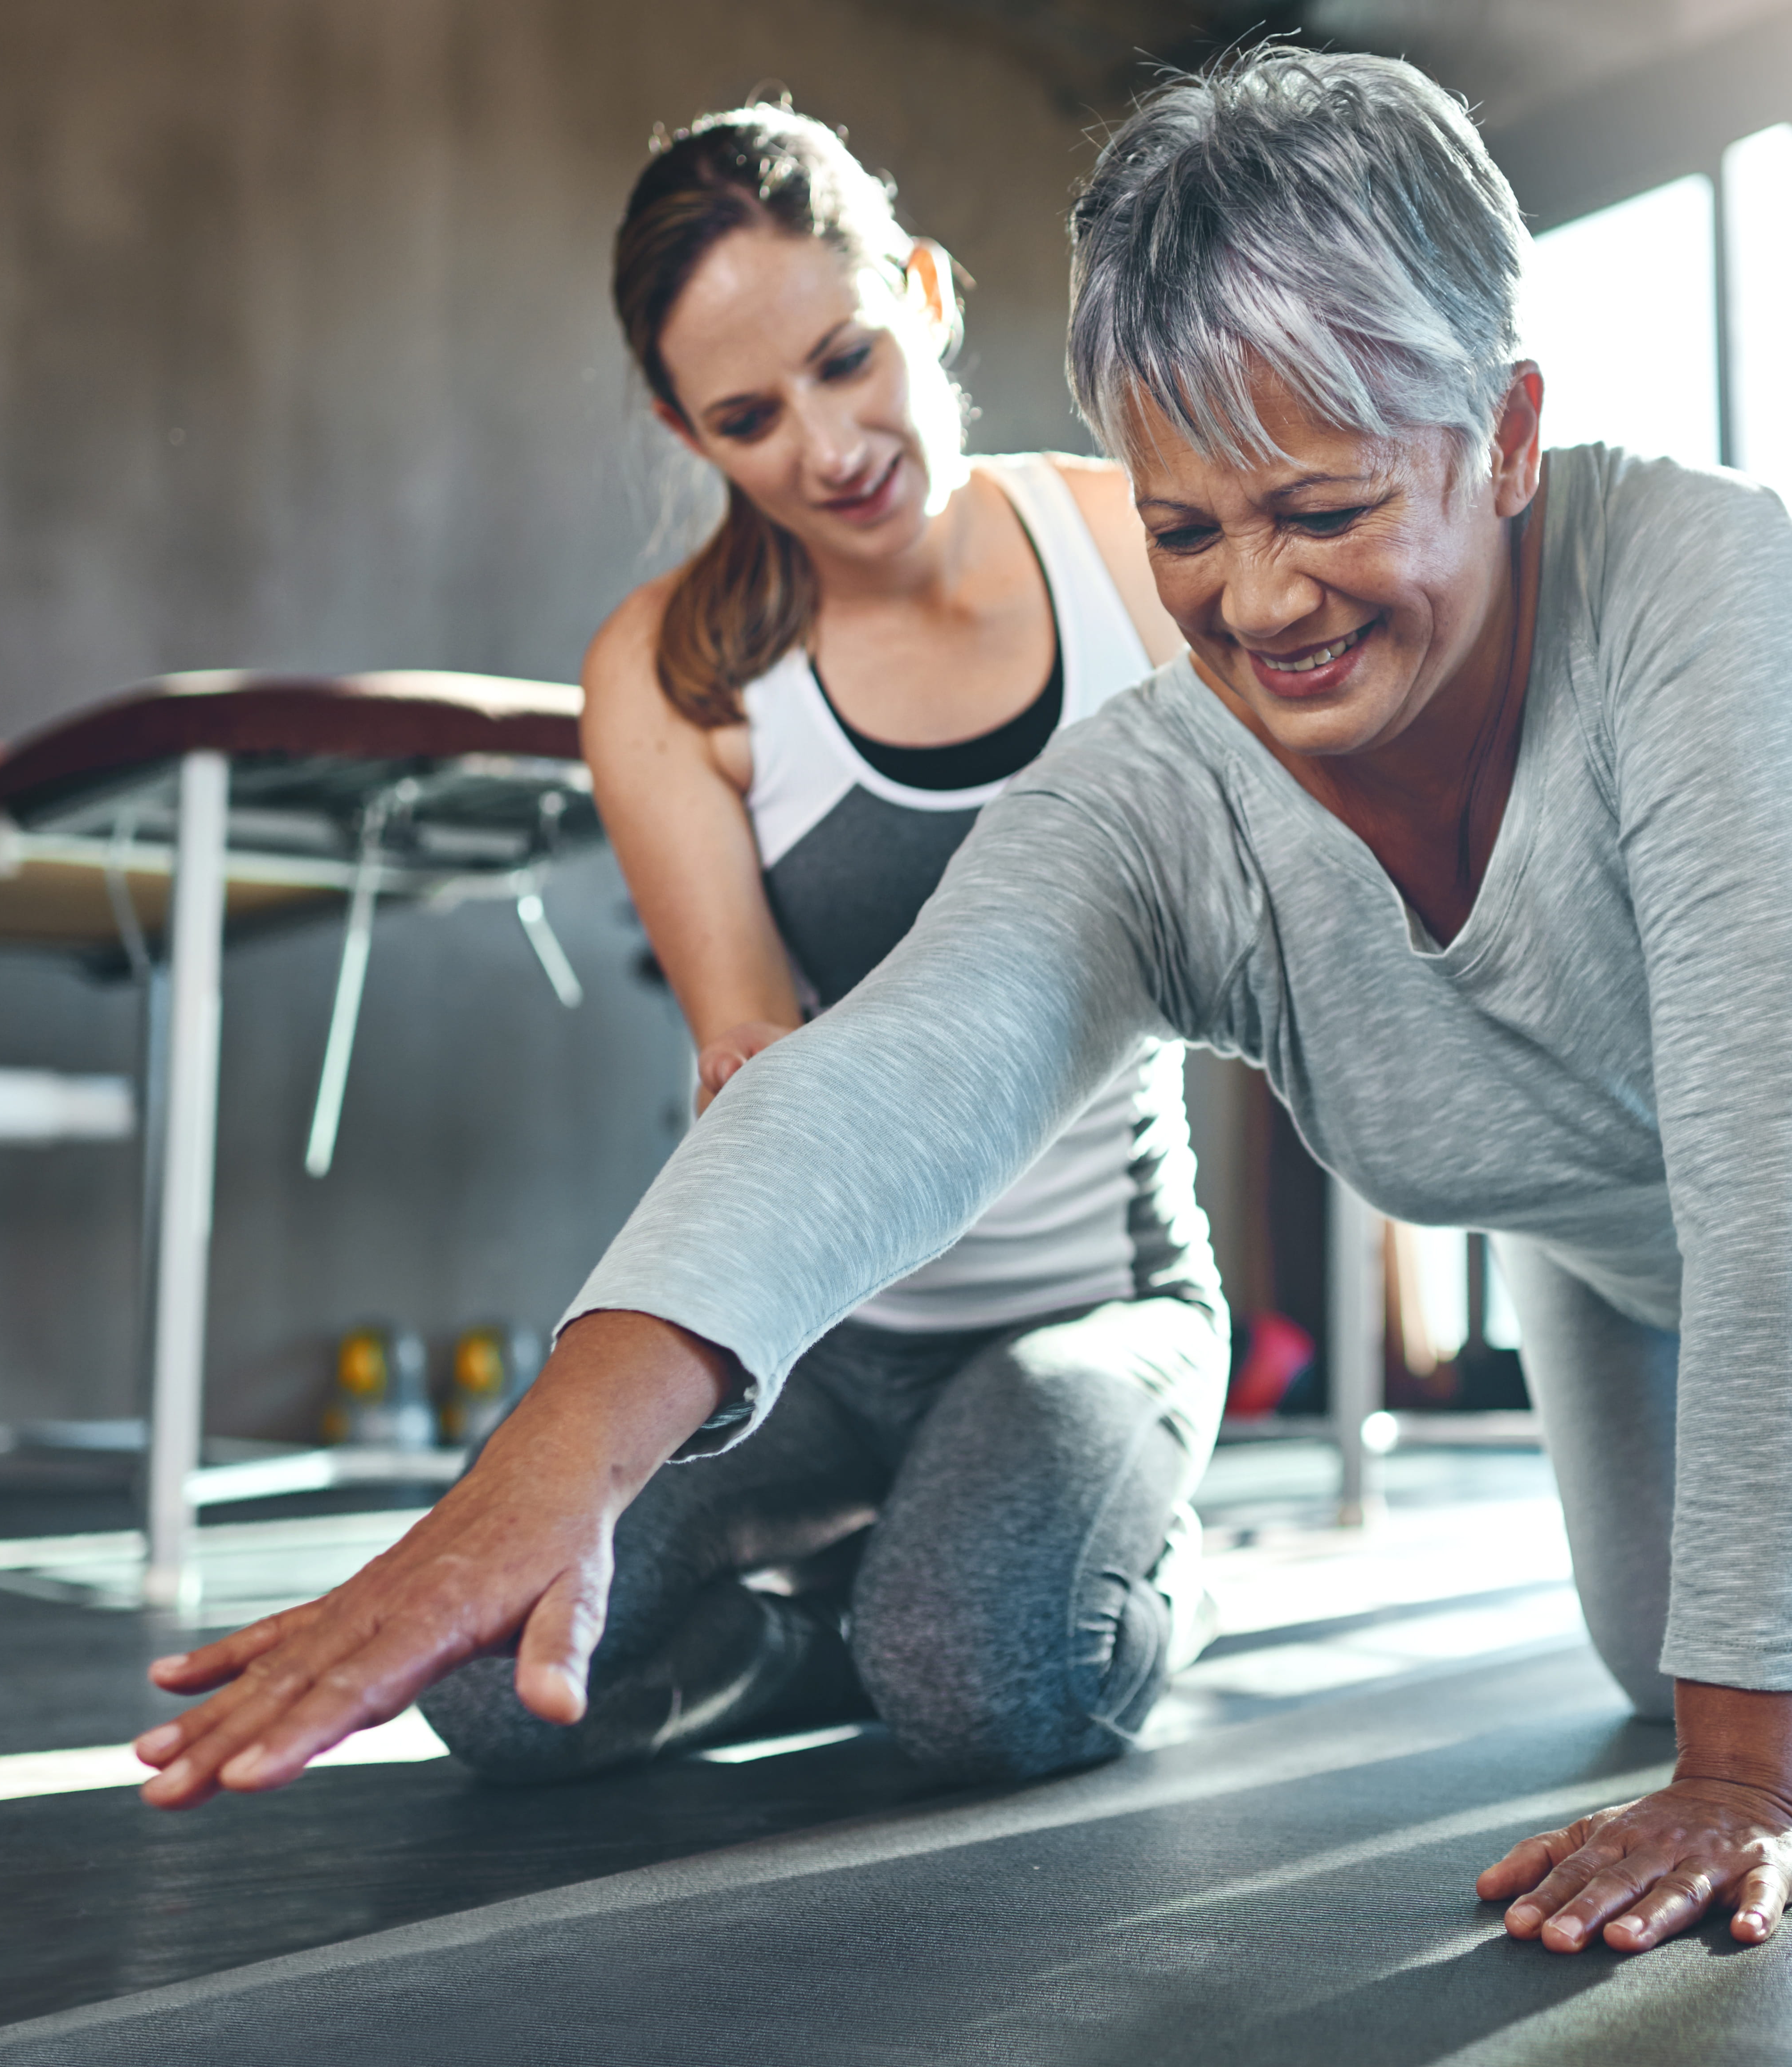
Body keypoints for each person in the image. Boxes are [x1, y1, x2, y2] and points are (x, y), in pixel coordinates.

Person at [134, 48, 1792, 1959]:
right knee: (1663, 1632)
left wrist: (1747, 1776)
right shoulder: (1166, 801)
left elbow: (1773, 1177)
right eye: (1192, 531)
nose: (1261, 603)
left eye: (1322, 506)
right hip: (1607, 1213)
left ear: (1504, 435)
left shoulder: (1712, 595)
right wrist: (529, 1480)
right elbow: (893, 1075)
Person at [415, 102, 1223, 1786]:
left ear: (923, 288)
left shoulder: (1132, 557)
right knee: (489, 1677)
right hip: (819, 1335)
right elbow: (757, 1053)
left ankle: (1080, 1573)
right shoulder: (672, 671)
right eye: (748, 418)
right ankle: (825, 1640)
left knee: (987, 1683)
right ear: (680, 428)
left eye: (850, 358)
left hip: (1088, 1305)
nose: (829, 446)